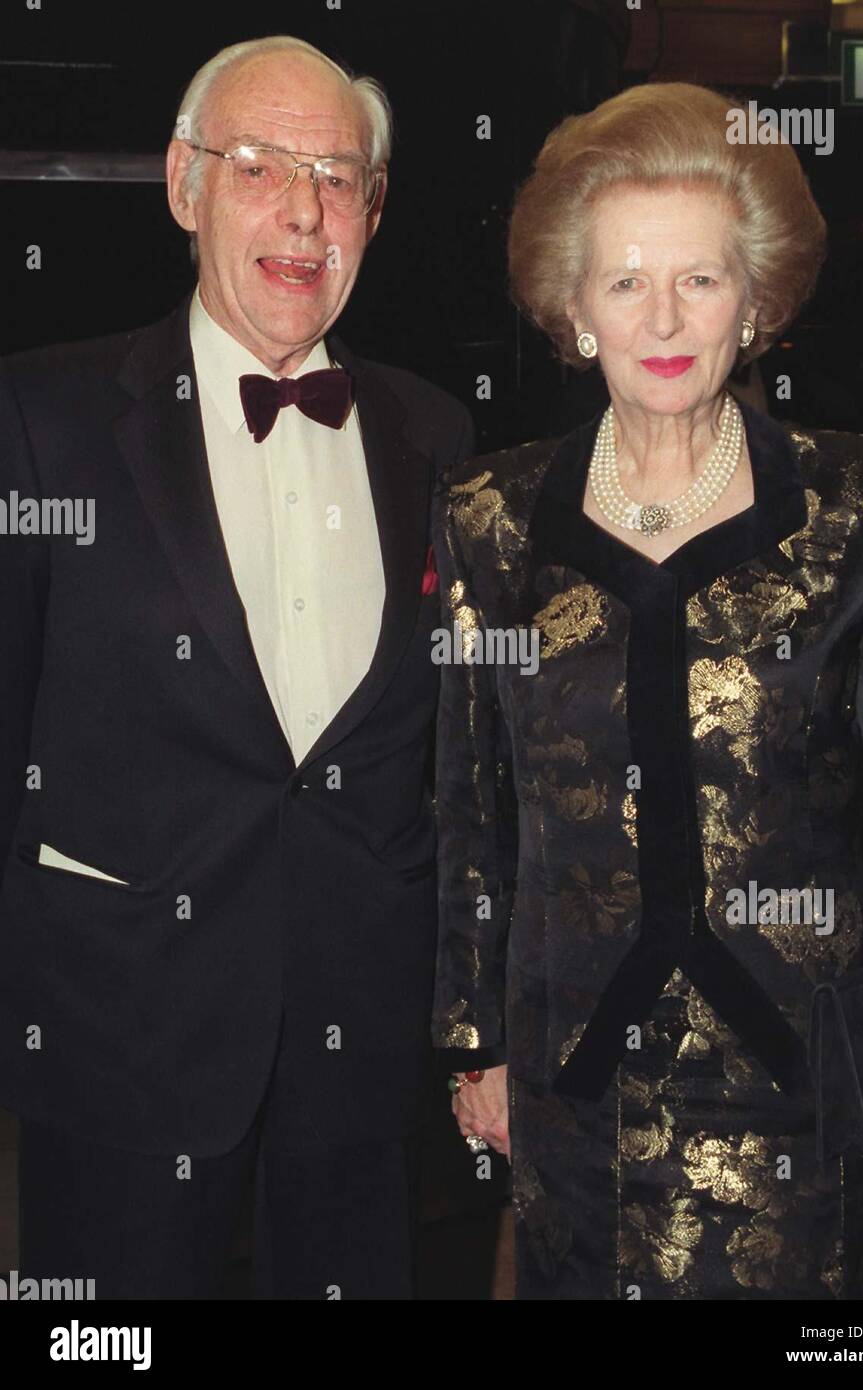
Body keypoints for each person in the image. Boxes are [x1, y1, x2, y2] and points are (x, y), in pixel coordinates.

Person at [432, 82, 863, 1300]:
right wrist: (472, 1040)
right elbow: (472, 800)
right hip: (574, 1071)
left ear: (757, 297)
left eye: (699, 279)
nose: (662, 318)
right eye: (624, 282)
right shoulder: (489, 518)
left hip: (803, 1072)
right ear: (573, 310)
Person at [0, 34, 472, 1299]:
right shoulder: (39, 424)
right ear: (183, 184)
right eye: (258, 165)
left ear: (372, 209)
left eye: (335, 174)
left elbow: (461, 764)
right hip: (118, 1032)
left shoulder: (443, 438)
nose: (302, 211)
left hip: (359, 1041)